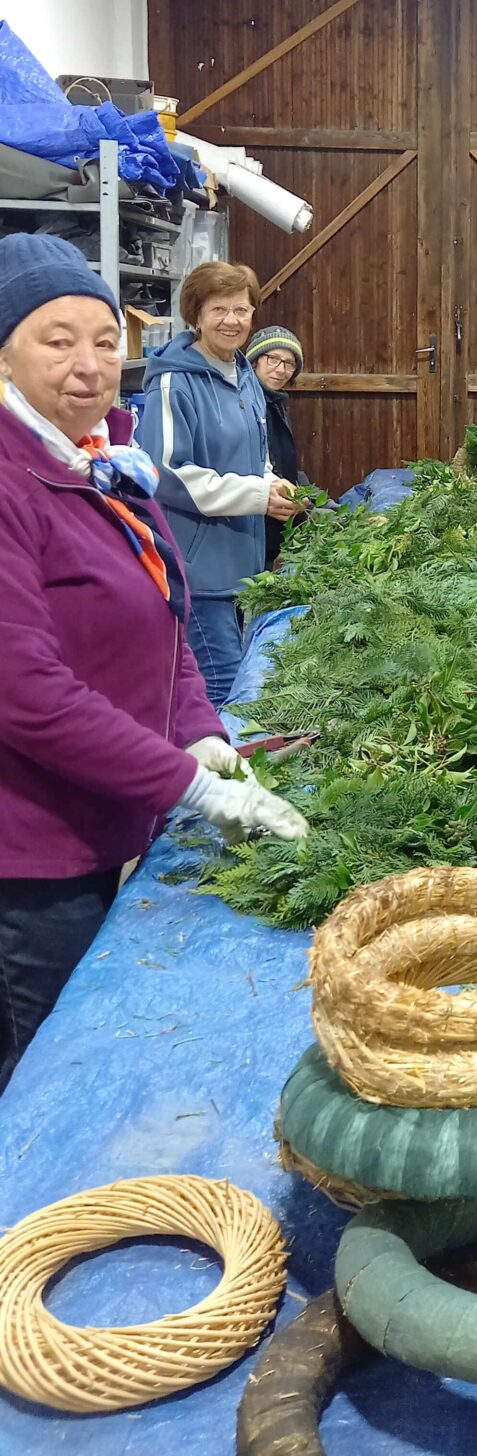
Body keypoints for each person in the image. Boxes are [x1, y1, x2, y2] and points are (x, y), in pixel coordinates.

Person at [0, 235, 305, 1093]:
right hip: (28, 851)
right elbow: (25, 695)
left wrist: (202, 730)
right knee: (46, 1074)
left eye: (104, 339)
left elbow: (166, 614)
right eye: (55, 341)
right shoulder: (11, 483)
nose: (89, 364)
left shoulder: (105, 462)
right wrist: (189, 785)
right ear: (5, 353)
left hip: (100, 820)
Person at [139, 262, 299, 706]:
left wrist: (273, 485)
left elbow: (256, 455)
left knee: (239, 688)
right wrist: (256, 496)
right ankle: (215, 775)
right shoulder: (175, 382)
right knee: (224, 695)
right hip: (201, 576)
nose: (232, 320)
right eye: (220, 310)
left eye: (242, 310)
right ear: (197, 313)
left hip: (242, 571)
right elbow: (167, 473)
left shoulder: (244, 374)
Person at [247, 323, 308, 567]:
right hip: (257, 514)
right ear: (254, 361)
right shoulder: (249, 403)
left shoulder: (276, 402)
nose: (281, 370)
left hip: (280, 510)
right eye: (273, 359)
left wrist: (307, 494)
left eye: (289, 364)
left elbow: (283, 463)